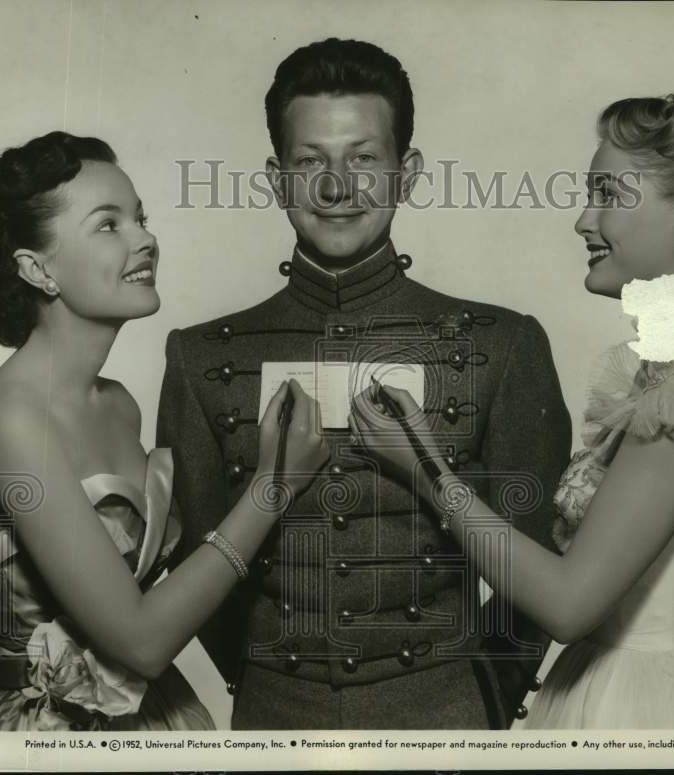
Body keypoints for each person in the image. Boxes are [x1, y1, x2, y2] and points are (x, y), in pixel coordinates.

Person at [350, 95, 674, 728]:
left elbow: (570, 605)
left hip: (655, 712)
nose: (583, 219)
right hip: (626, 689)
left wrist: (428, 472)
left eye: (608, 194)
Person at [157, 38, 571, 729]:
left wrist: (482, 699)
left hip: (448, 716)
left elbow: (542, 566)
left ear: (405, 173)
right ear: (277, 178)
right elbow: (203, 574)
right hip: (272, 720)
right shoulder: (199, 357)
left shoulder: (503, 344)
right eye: (309, 161)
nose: (336, 186)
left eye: (364, 159)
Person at [0, 131, 328, 731]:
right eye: (108, 225)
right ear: (37, 268)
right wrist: (272, 489)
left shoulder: (120, 405)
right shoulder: (10, 418)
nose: (145, 238)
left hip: (158, 719)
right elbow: (140, 642)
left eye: (140, 219)